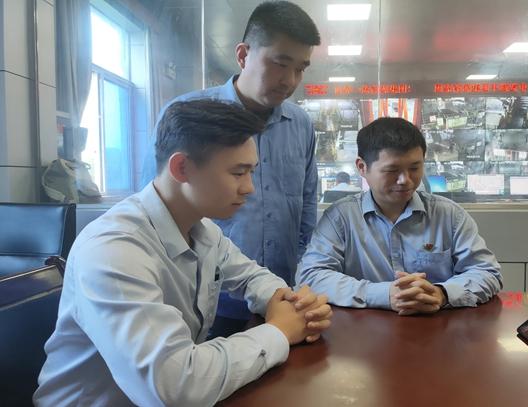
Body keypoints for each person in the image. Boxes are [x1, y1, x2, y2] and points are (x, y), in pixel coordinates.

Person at [34, 100, 332, 406]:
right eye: (238, 173)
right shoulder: (113, 250)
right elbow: (176, 386)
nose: (249, 188)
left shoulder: (203, 230)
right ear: (182, 168)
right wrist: (279, 330)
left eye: (251, 172)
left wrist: (288, 302)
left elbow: (251, 276)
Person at [143, 1, 321, 337]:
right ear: (243, 55)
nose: (290, 80)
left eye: (301, 69)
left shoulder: (300, 124)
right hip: (206, 300)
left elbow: (307, 203)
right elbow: (159, 204)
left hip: (279, 293)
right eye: (280, 64)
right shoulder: (189, 115)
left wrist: (298, 273)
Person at [296, 117, 502, 315]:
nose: (405, 180)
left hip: (438, 326)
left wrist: (442, 293)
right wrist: (384, 294)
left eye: (415, 168)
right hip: (363, 331)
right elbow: (312, 276)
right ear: (362, 167)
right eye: (392, 170)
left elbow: (487, 272)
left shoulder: (449, 215)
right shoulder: (340, 218)